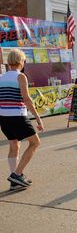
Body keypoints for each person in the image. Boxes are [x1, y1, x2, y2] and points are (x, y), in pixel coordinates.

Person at [0, 49, 44, 190]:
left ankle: (15, 180)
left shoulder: (1, 77)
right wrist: (38, 118)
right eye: (24, 60)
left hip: (4, 117)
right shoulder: (21, 77)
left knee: (14, 145)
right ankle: (17, 174)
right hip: (17, 116)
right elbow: (27, 99)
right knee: (35, 143)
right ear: (21, 61)